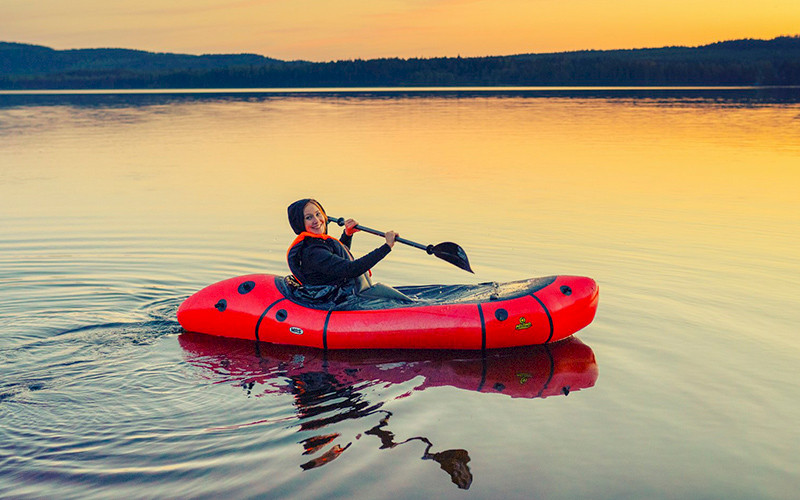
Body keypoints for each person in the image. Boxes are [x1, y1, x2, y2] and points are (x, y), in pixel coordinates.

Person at [286, 198, 411, 302]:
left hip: (352, 292)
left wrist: (347, 234)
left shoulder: (316, 243)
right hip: (343, 300)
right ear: (299, 223)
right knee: (404, 302)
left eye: (318, 214)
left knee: (398, 298)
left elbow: (336, 263)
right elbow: (350, 269)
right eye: (309, 217)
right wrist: (386, 247)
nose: (316, 221)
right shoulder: (313, 252)